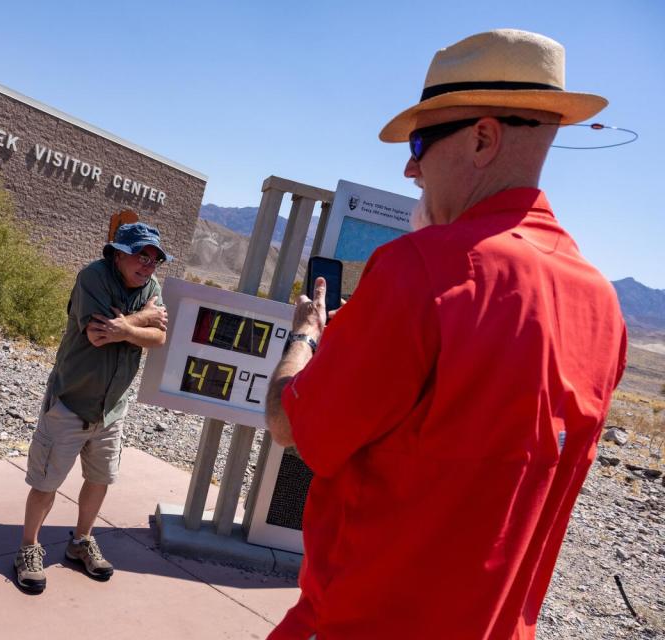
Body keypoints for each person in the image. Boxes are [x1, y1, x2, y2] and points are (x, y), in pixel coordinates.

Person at [265, 29, 627, 639]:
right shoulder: (603, 307)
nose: (410, 166)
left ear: (483, 137)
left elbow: (293, 426)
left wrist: (303, 342)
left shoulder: (421, 270)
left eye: (420, 141)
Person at [15, 222, 170, 594]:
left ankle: (81, 540)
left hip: (112, 407)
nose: (148, 265)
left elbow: (160, 337)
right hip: (71, 401)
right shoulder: (93, 278)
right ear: (118, 254)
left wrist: (130, 328)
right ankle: (28, 548)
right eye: (140, 255)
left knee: (100, 479)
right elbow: (98, 336)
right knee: (46, 483)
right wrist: (141, 320)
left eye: (154, 259)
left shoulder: (153, 288)